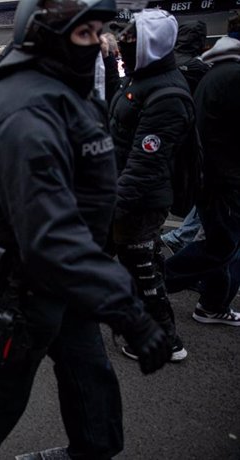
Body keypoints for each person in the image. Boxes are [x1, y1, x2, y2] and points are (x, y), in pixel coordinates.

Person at [0, 0, 171, 457]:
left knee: (92, 387)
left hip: (69, 281)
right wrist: (128, 310)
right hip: (22, 290)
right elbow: (49, 228)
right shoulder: (24, 107)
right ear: (45, 35)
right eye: (86, 34)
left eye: (101, 32)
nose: (102, 43)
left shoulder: (66, 92)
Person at [109, 9, 192, 362]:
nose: (123, 47)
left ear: (149, 46)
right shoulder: (141, 80)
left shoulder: (166, 94)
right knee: (136, 264)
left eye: (129, 41)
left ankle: (163, 342)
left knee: (142, 268)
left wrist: (111, 206)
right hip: (123, 193)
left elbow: (144, 166)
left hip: (138, 200)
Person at [164, 15, 240, 327]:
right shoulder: (226, 73)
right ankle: (151, 283)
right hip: (223, 176)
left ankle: (212, 302)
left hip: (208, 171)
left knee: (225, 244)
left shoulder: (215, 70)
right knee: (223, 245)